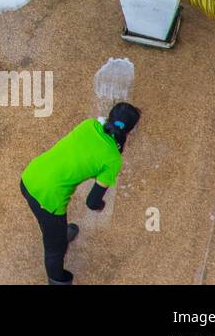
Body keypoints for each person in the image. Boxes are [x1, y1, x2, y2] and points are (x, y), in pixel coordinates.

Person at [19, 102, 141, 285]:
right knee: (55, 250)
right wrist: (101, 206)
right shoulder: (113, 160)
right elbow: (92, 202)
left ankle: (57, 233)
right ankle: (57, 280)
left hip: (30, 176)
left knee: (51, 226)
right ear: (129, 132)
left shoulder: (88, 124)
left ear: (109, 117)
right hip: (48, 198)